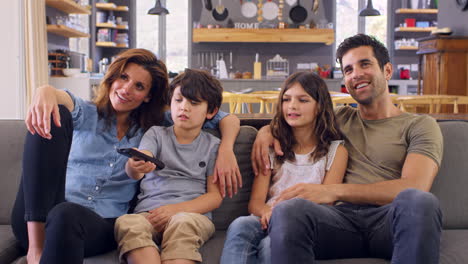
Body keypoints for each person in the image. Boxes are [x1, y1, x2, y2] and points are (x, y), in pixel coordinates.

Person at [10, 49, 240, 264]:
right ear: (112, 77)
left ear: (149, 96)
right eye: (123, 77)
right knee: (54, 113)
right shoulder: (86, 113)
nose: (126, 89)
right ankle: (36, 245)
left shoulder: (157, 126)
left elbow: (223, 116)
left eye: (139, 86)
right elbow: (60, 98)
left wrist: (226, 149)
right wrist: (45, 91)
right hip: (39, 216)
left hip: (94, 225)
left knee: (65, 215)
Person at [251, 34, 444, 264]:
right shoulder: (339, 118)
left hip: (388, 220)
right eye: (349, 69)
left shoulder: (420, 125)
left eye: (365, 64)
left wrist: (335, 191)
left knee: (420, 201)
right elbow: (293, 118)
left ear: (388, 70)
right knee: (289, 210)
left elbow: (415, 185)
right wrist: (264, 132)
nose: (356, 74)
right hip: (338, 222)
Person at [220, 72, 348, 264]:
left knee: (268, 246)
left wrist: (284, 217)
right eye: (286, 100)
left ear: (320, 106)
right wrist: (266, 213)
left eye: (303, 100)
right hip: (267, 217)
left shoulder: (336, 151)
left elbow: (326, 203)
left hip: (304, 222)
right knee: (240, 224)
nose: (292, 106)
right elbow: (255, 203)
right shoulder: (272, 146)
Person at [114, 69, 223, 264]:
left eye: (194, 103)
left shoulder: (213, 145)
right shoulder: (156, 134)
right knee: (126, 222)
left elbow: (215, 197)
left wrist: (176, 210)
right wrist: (136, 164)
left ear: (211, 111)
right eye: (178, 100)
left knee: (182, 223)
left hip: (191, 214)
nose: (184, 108)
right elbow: (138, 166)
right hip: (149, 214)